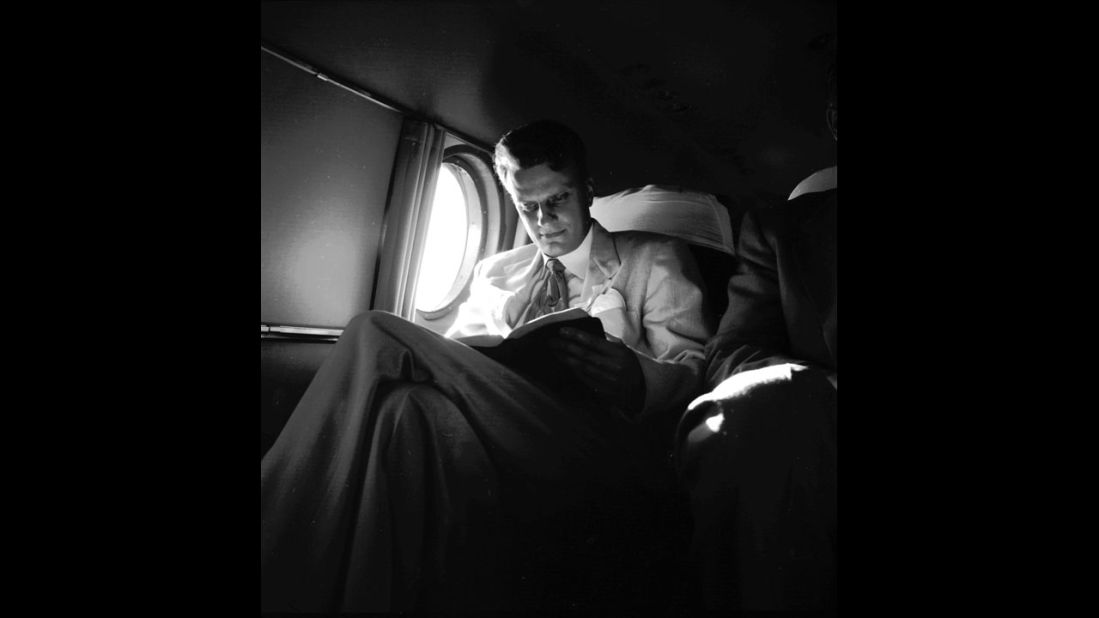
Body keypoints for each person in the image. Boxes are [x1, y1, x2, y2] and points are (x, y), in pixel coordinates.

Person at [261, 119, 714, 612]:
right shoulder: (497, 271)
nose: (543, 221)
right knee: (405, 409)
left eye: (557, 201)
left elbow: (693, 369)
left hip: (598, 442)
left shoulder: (653, 259)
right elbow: (457, 358)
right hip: (501, 424)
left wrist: (636, 377)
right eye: (526, 207)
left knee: (375, 331)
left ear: (587, 191)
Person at [675, 61, 838, 611]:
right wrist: (815, 388)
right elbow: (731, 350)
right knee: (756, 404)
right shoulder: (782, 231)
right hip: (822, 425)